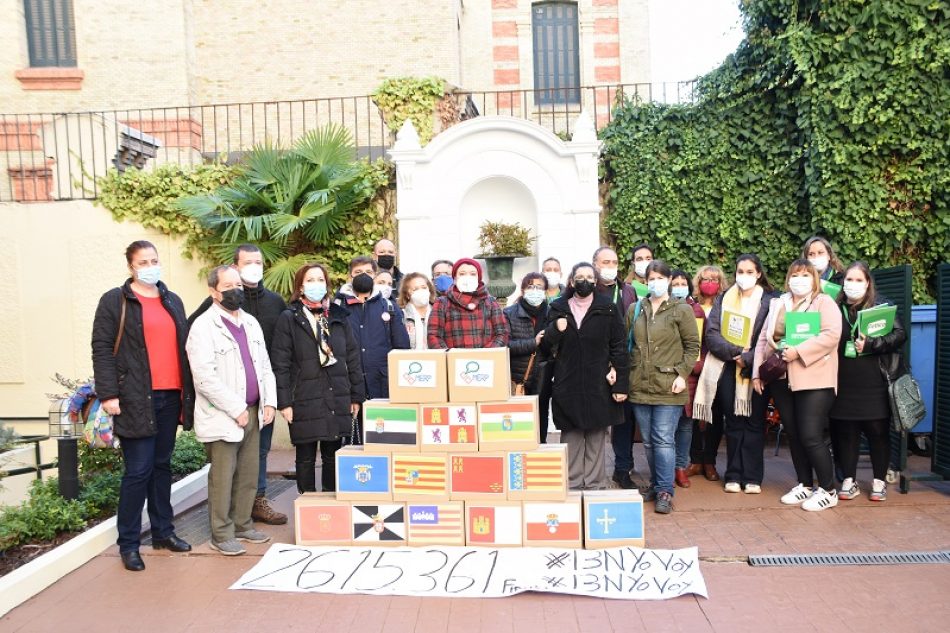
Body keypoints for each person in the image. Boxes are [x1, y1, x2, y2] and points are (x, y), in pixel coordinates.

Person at [92, 240, 195, 572]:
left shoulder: (171, 300)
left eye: (154, 259)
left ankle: (164, 532)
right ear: (131, 266)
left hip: (170, 396)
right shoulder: (115, 300)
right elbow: (102, 348)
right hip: (136, 397)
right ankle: (129, 543)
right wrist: (109, 394)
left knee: (162, 465)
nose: (150, 265)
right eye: (143, 261)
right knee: (138, 471)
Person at [188, 243, 288, 526]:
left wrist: (271, 399)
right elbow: (202, 368)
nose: (235, 290)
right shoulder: (207, 319)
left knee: (253, 465)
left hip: (258, 403)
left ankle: (249, 514)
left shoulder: (261, 314)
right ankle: (224, 527)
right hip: (226, 406)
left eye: (259, 261)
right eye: (228, 285)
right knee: (224, 471)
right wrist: (231, 404)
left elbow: (269, 360)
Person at [753, 259, 842, 511]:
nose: (799, 279)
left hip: (815, 379)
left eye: (805, 274)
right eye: (795, 274)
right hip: (782, 379)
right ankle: (804, 483)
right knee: (793, 434)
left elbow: (831, 335)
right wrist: (758, 373)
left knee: (811, 435)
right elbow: (763, 339)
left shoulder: (823, 302)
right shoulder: (778, 303)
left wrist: (798, 352)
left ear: (814, 277)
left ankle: (828, 489)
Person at [271, 263, 365, 493]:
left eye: (320, 279)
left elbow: (352, 356)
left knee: (333, 455)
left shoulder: (339, 316)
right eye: (310, 280)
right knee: (305, 457)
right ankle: (306, 505)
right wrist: (284, 402)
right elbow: (280, 363)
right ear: (300, 287)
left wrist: (356, 396)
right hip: (304, 396)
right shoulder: (289, 318)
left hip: (337, 393)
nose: (316, 285)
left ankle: (330, 508)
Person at [540, 262, 628, 489]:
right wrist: (555, 330)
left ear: (596, 282)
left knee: (597, 435)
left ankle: (595, 485)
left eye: (590, 277)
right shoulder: (558, 307)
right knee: (572, 434)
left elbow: (619, 347)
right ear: (571, 281)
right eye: (580, 276)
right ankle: (572, 483)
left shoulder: (608, 308)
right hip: (567, 381)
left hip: (599, 381)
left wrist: (621, 384)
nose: (585, 281)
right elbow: (545, 346)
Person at [694, 255, 775, 494]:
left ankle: (752, 477)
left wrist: (749, 358)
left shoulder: (771, 301)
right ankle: (733, 474)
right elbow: (712, 334)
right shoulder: (724, 299)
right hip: (728, 367)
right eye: (740, 271)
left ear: (758, 274)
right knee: (734, 422)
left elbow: (773, 335)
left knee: (754, 422)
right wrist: (737, 354)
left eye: (750, 271)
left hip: (757, 368)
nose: (744, 276)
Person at [628, 261, 701, 514]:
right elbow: (627, 344)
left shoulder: (682, 310)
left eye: (659, 277)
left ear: (669, 280)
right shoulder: (636, 308)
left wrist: (682, 373)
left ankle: (664, 491)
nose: (654, 282)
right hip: (640, 383)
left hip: (670, 385)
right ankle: (656, 483)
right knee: (648, 441)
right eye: (651, 278)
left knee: (663, 439)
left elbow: (693, 346)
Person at [831, 261, 906, 502]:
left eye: (858, 280)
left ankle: (879, 481)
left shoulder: (882, 305)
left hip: (874, 379)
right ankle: (849, 480)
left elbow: (899, 335)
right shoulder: (835, 306)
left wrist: (872, 344)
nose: (852, 285)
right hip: (843, 380)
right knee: (847, 432)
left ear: (868, 283)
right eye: (849, 280)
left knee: (877, 432)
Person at [592, 246, 639, 489]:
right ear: (595, 264)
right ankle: (593, 471)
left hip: (624, 363)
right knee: (596, 420)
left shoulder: (628, 291)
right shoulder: (588, 290)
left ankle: (623, 469)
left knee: (624, 420)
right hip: (596, 365)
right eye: (605, 262)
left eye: (614, 262)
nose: (610, 266)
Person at [334, 256, 410, 404]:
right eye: (358, 271)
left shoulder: (388, 306)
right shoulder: (337, 307)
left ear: (375, 276)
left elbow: (402, 347)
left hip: (382, 384)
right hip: (349, 384)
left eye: (368, 272)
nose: (363, 275)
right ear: (350, 276)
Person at [685, 265, 728, 481]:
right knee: (693, 414)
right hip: (694, 367)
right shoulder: (690, 306)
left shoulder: (726, 306)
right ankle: (695, 460)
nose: (709, 282)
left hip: (718, 367)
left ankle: (709, 461)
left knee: (714, 415)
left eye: (714, 279)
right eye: (705, 278)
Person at [670, 269, 706, 489]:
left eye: (684, 283)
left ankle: (680, 467)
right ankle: (665, 469)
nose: (680, 287)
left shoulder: (697, 310)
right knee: (665, 426)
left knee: (685, 425)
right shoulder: (659, 308)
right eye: (675, 283)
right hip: (664, 374)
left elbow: (701, 345)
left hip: (689, 376)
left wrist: (694, 367)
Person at [504, 273, 551, 442]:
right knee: (519, 419)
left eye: (539, 287)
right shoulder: (509, 313)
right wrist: (533, 342)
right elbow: (505, 345)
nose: (535, 290)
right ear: (523, 290)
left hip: (543, 376)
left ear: (546, 291)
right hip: (518, 377)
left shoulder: (552, 313)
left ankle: (542, 447)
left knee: (541, 416)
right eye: (530, 286)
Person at [427, 258, 509, 349]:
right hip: (453, 360)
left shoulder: (490, 302)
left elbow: (502, 333)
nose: (467, 277)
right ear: (454, 278)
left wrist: (486, 354)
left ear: (479, 278)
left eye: (473, 274)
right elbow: (433, 335)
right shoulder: (442, 303)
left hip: (486, 360)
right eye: (462, 274)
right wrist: (448, 356)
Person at [398, 272, 436, 350]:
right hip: (410, 360)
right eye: (415, 289)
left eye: (424, 287)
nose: (421, 291)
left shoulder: (438, 313)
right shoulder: (401, 315)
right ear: (408, 295)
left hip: (436, 359)